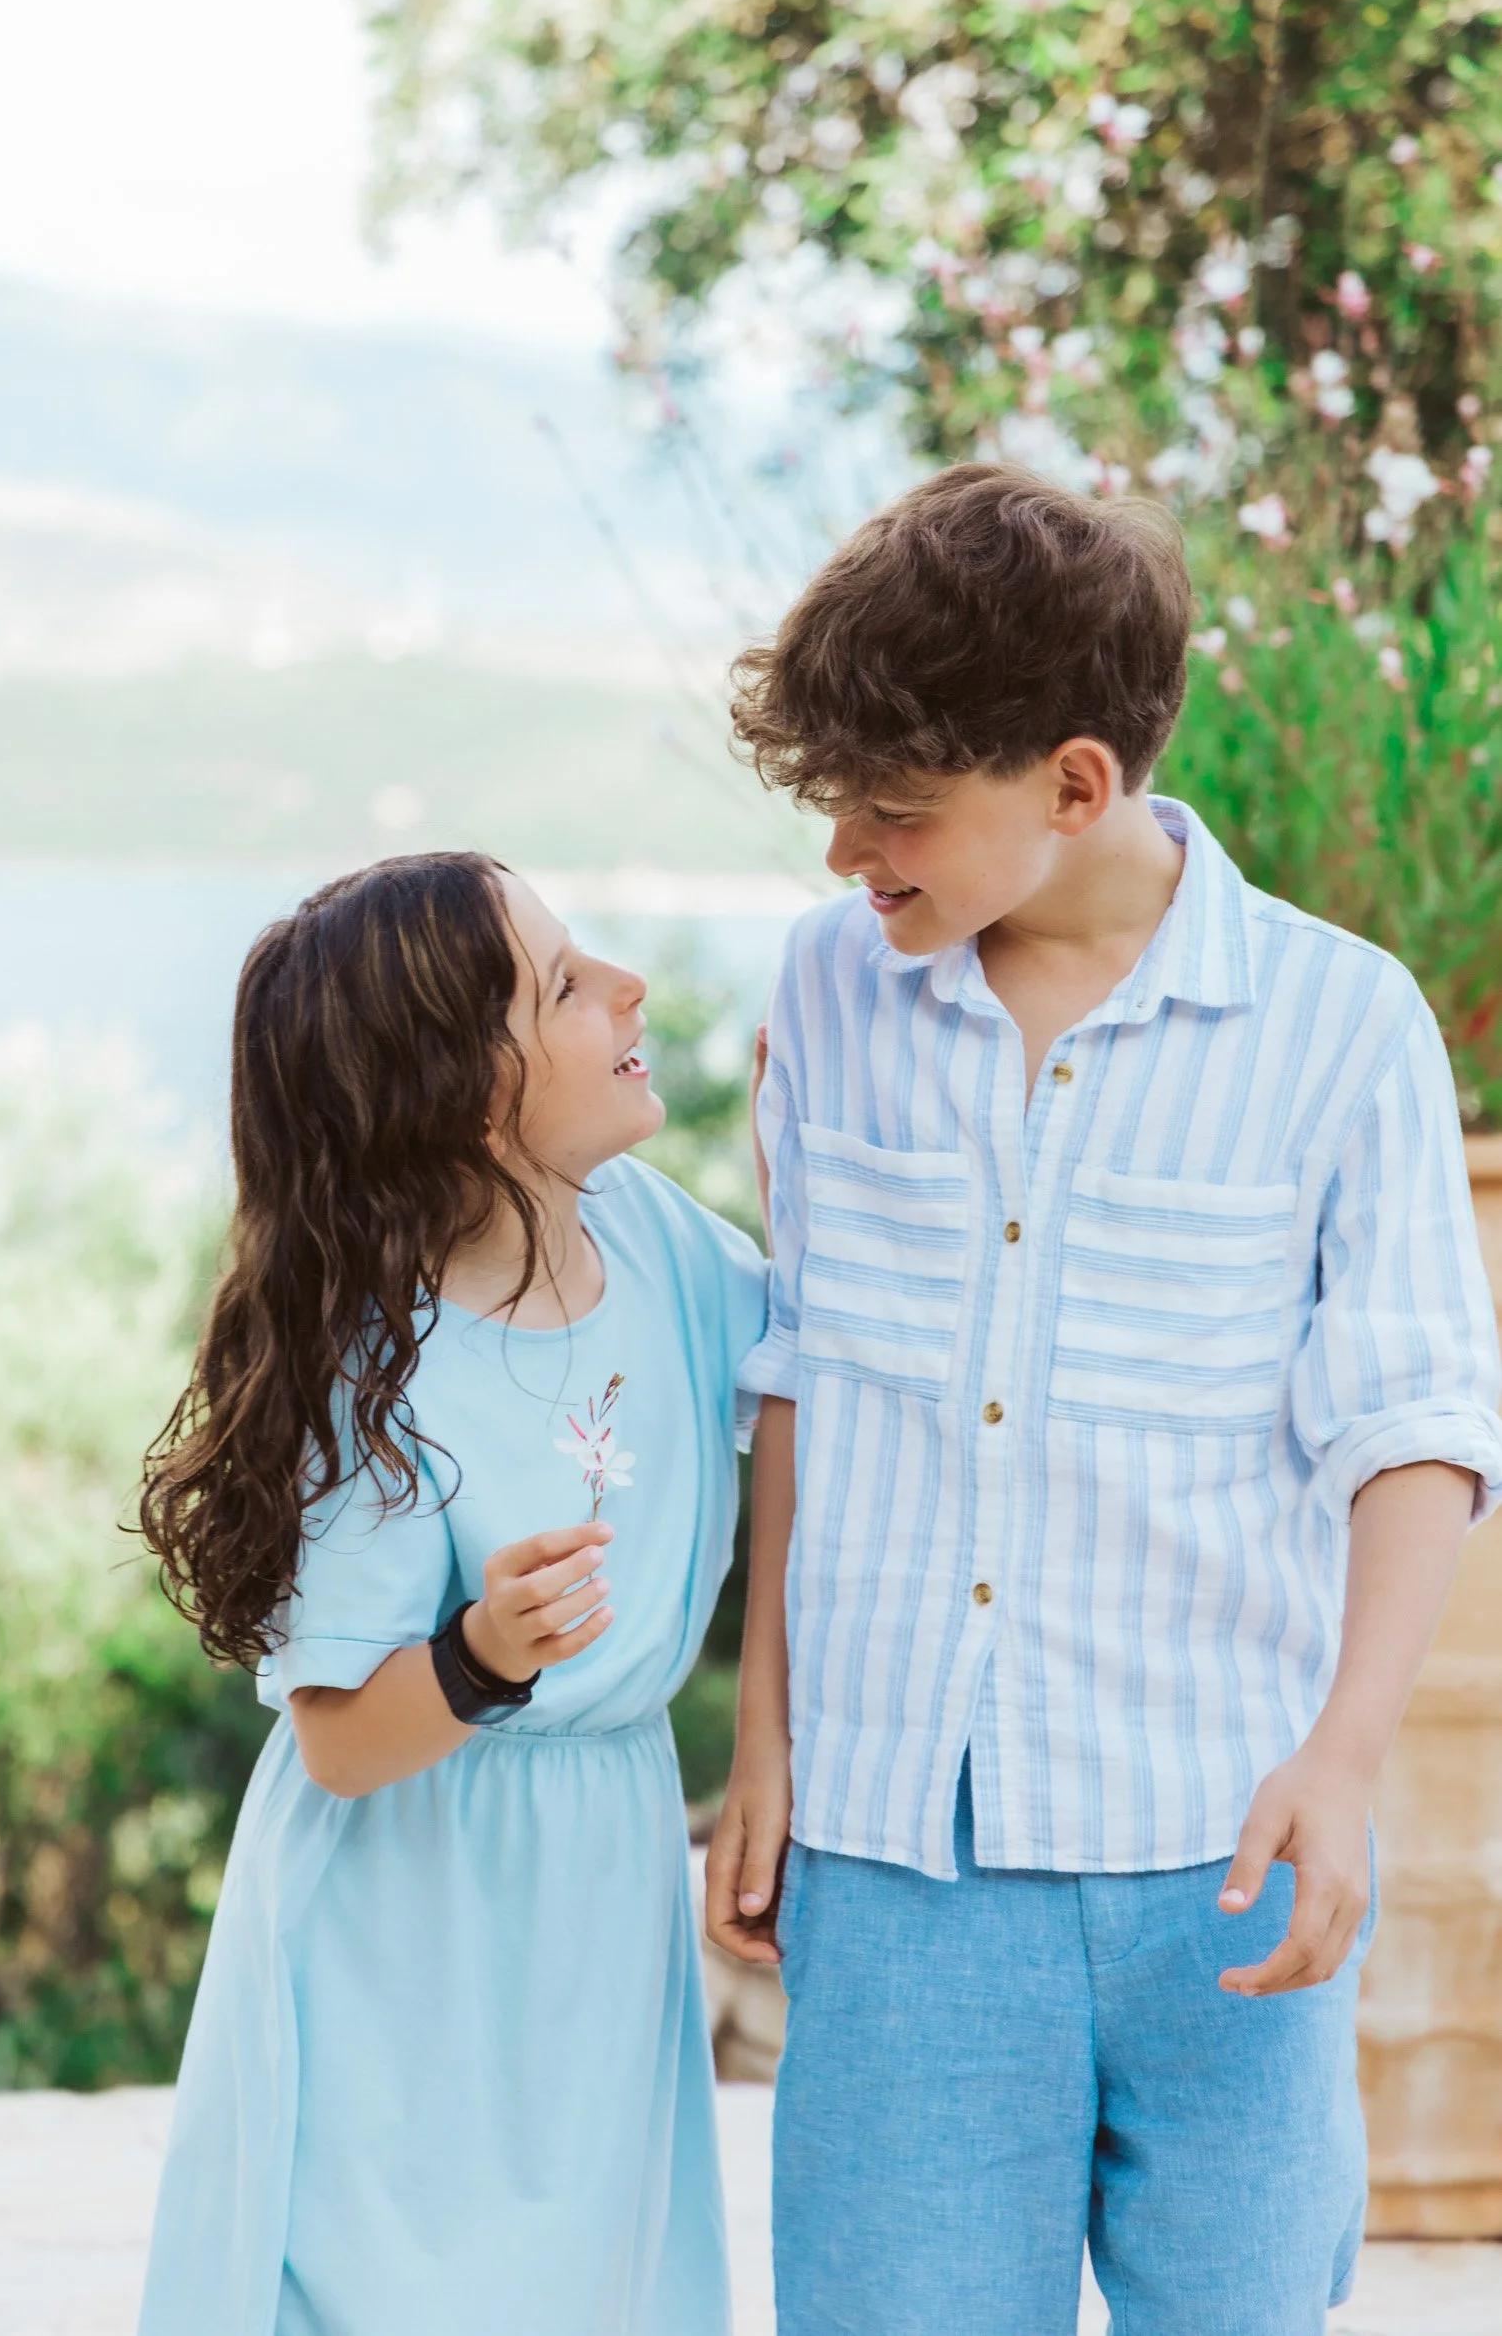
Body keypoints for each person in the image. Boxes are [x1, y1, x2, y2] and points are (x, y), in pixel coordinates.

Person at [706, 462, 1502, 2335]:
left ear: (1075, 784)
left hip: (1214, 1859)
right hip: (898, 1862)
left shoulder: (1340, 1021)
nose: (844, 857)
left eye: (891, 813)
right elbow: (801, 1374)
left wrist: (1343, 1762)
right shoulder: (828, 992)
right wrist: (763, 1744)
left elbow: (1416, 1425)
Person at [136, 851, 765, 2336]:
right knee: (395, 2282)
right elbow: (344, 1741)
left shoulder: (663, 1242)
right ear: (457, 1096)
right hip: (411, 1903)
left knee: (584, 2275)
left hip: (595, 1871)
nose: (626, 988)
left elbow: (819, 1368)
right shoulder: (381, 1367)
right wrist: (483, 1652)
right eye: (559, 983)